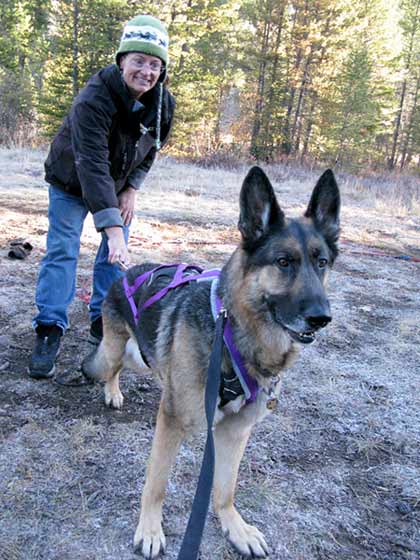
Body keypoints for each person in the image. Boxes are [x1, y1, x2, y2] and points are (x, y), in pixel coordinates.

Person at [28, 15, 175, 379]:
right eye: (138, 60)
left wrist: (132, 188)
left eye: (154, 64)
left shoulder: (162, 103)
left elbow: (153, 147)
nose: (146, 71)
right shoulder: (93, 98)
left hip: (117, 184)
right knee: (64, 249)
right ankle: (49, 328)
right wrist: (112, 230)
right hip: (71, 179)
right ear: (121, 60)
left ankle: (103, 323)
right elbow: (91, 165)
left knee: (112, 262)